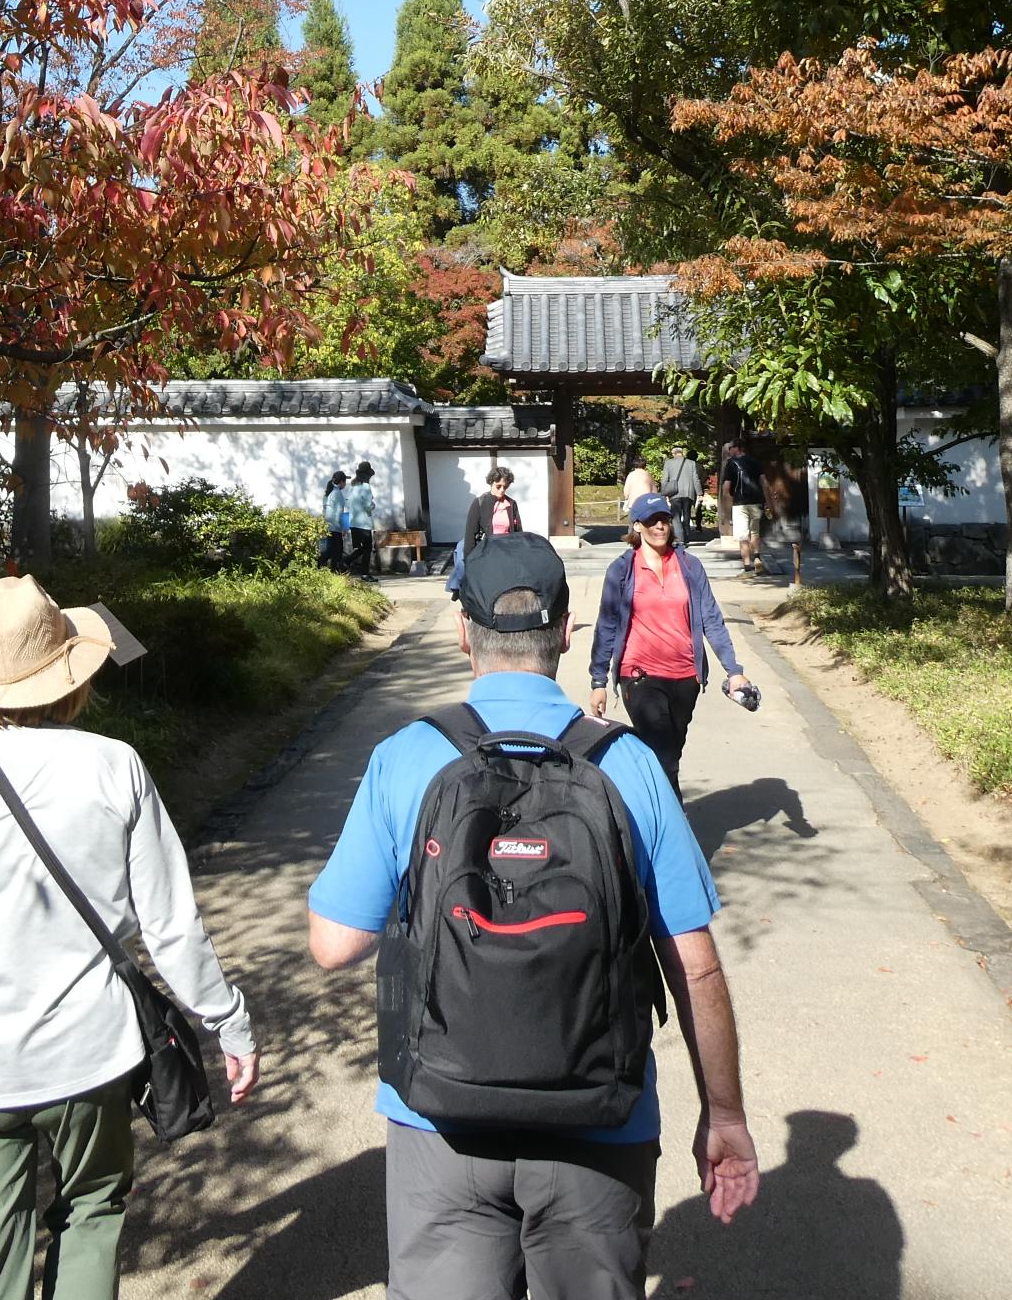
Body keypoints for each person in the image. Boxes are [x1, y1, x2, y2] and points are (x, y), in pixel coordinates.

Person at [305, 532, 760, 1299]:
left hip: (440, 1117)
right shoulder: (627, 763)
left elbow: (333, 943)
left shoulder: (406, 756)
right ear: (566, 630)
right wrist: (725, 1114)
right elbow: (696, 964)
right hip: (599, 1117)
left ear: (463, 631)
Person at [0, 575, 260, 1300]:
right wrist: (227, 1022)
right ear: (70, 676)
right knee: (93, 1216)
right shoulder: (115, 765)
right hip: (91, 1057)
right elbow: (170, 925)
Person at [589, 491, 759, 792]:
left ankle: (644, 805)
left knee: (670, 753)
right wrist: (598, 681)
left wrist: (734, 671)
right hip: (639, 675)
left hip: (685, 677)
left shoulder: (689, 566)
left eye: (664, 520)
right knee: (664, 756)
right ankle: (672, 818)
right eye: (651, 520)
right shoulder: (622, 570)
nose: (659, 526)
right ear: (637, 525)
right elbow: (607, 624)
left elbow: (711, 618)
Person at [447, 462, 525, 597]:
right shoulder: (480, 502)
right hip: (486, 545)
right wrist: (469, 559)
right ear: (491, 483)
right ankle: (459, 588)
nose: (502, 490)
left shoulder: (511, 504)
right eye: (498, 486)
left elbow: (518, 531)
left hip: (506, 546)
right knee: (461, 560)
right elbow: (470, 532)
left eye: (505, 487)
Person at [760, 447, 809, 589]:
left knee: (788, 517)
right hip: (780, 499)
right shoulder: (772, 474)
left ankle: (787, 534)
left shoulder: (785, 473)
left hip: (789, 501)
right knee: (781, 516)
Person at [717, 440, 765, 579]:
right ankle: (757, 557)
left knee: (743, 536)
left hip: (740, 503)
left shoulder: (731, 463)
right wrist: (767, 501)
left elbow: (726, 487)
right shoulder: (755, 462)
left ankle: (747, 568)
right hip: (756, 502)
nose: (729, 450)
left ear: (738, 448)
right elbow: (764, 483)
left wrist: (728, 504)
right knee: (755, 532)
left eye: (731, 448)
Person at [660, 443, 704, 545]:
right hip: (688, 492)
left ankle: (679, 538)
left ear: (673, 454)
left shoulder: (668, 463)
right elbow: (696, 479)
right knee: (687, 514)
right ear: (682, 453)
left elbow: (664, 479)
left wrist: (664, 492)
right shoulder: (691, 463)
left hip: (674, 493)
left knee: (676, 516)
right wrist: (699, 493)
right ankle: (686, 537)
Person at [345, 460, 379, 576]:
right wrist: (373, 505)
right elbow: (368, 505)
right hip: (364, 523)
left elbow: (348, 503)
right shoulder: (366, 487)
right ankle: (365, 574)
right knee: (367, 549)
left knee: (361, 548)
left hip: (353, 522)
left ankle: (345, 561)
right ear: (367, 475)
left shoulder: (352, 487)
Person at [321, 469, 351, 570]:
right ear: (341, 482)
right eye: (345, 482)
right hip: (335, 527)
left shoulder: (330, 493)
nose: (345, 484)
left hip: (329, 526)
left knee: (332, 550)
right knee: (336, 551)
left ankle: (330, 569)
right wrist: (343, 527)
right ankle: (329, 569)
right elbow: (339, 512)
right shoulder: (337, 494)